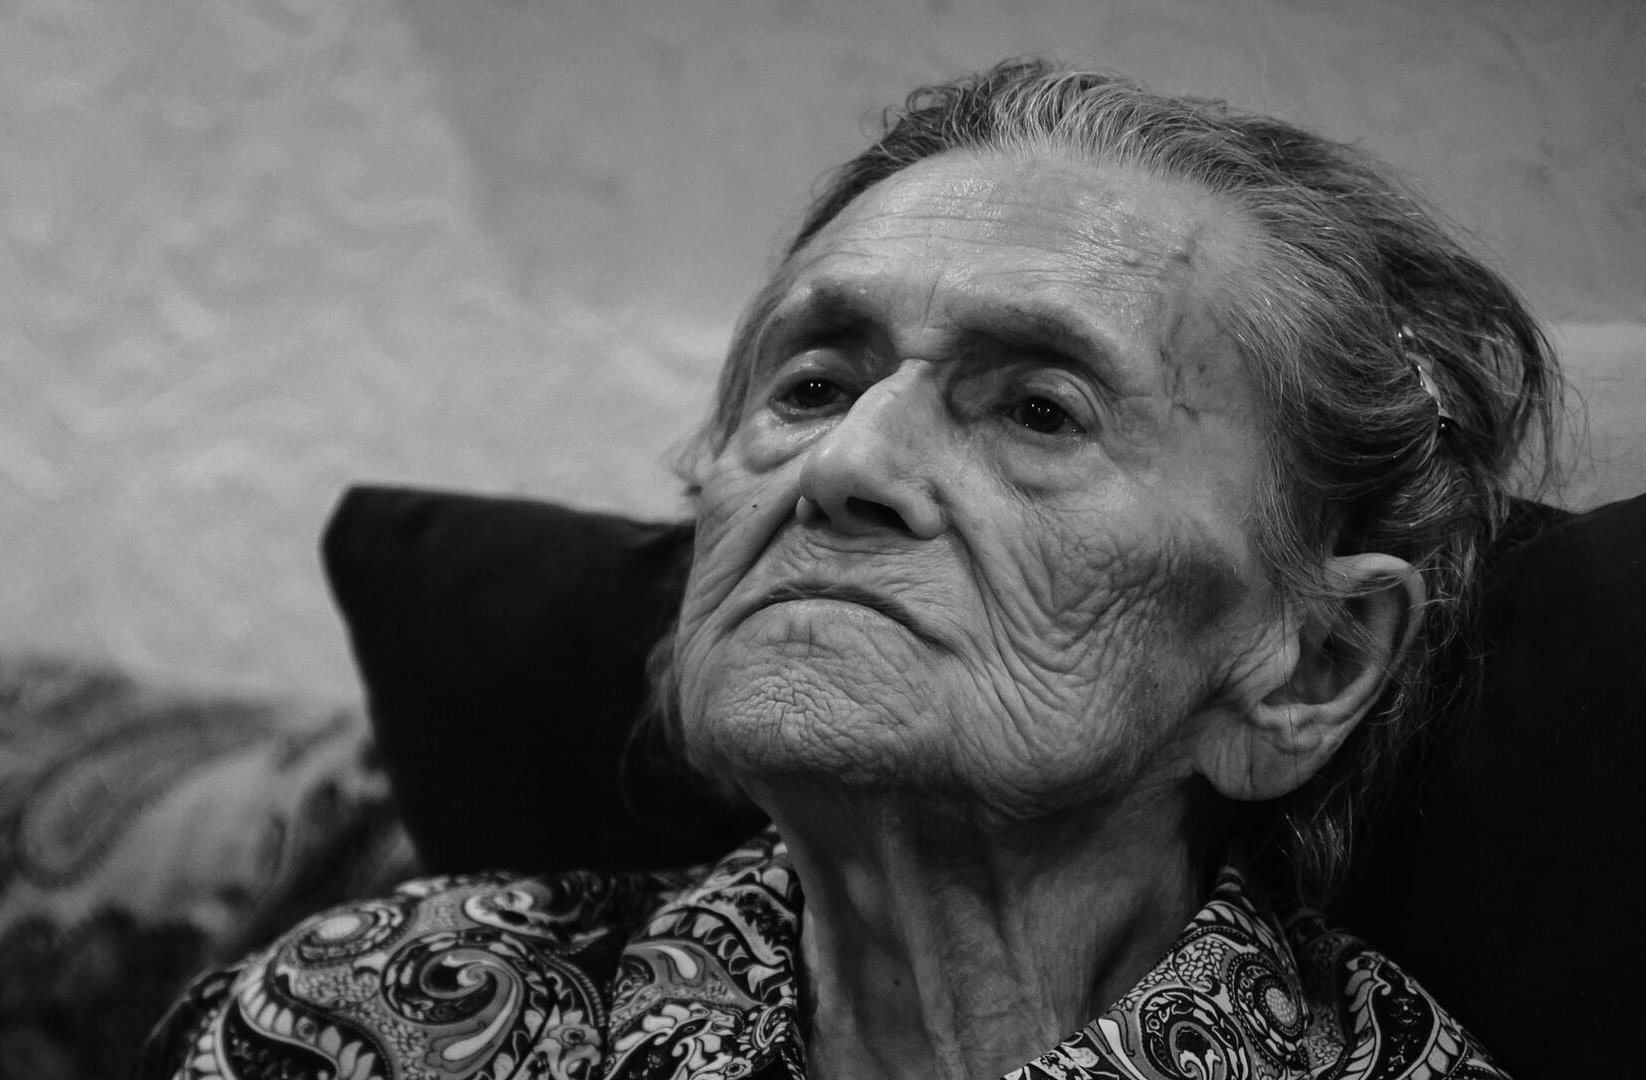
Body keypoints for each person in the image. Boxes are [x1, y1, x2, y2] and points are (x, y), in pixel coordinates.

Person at [138, 58, 1556, 1080]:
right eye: (812, 385)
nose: (845, 464)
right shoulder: (357, 1019)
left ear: (1309, 665)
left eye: (1039, 410)